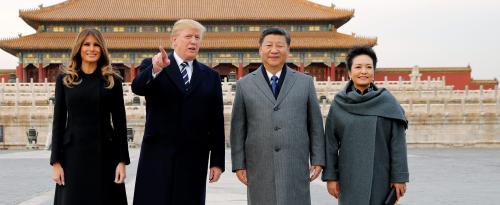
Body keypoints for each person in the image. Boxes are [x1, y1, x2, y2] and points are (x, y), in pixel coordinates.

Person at [132, 19, 225, 205]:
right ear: (174, 40)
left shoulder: (210, 76)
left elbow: (216, 120)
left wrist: (217, 161)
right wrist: (156, 68)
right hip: (158, 155)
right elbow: (138, 87)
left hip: (194, 157)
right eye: (188, 36)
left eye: (197, 37)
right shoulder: (155, 64)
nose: (193, 41)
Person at [230, 27, 325, 205]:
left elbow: (315, 126)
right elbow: (238, 129)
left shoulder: (304, 82)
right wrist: (239, 163)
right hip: (259, 162)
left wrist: (318, 159)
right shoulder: (245, 84)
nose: (274, 50)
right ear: (260, 49)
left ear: (288, 50)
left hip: (294, 162)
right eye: (269, 45)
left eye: (280, 46)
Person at [50, 28, 130, 205]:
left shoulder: (112, 80)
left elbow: (120, 122)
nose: (91, 49)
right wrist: (55, 162)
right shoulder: (66, 78)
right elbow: (59, 121)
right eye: (87, 44)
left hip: (105, 154)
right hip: (73, 156)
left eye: (96, 45)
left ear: (102, 49)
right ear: (79, 47)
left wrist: (122, 161)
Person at [322, 46, 409, 205]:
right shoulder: (339, 104)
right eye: (358, 67)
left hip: (381, 176)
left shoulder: (387, 102)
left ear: (374, 72)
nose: (364, 71)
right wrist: (331, 177)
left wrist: (399, 177)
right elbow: (330, 144)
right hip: (349, 177)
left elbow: (397, 143)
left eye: (369, 67)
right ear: (349, 72)